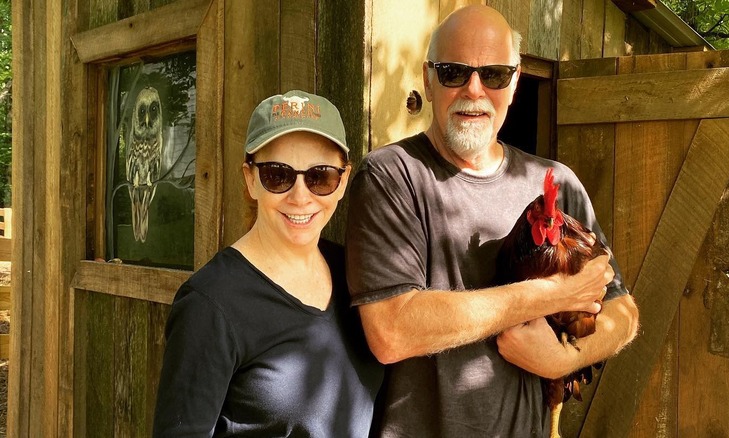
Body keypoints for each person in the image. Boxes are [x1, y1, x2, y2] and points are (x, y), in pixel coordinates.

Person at [345, 5, 639, 437]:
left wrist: (565, 359)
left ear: (515, 82)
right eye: (453, 72)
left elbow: (624, 310)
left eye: (495, 75)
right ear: (428, 79)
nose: (474, 90)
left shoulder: (555, 183)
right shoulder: (392, 176)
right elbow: (391, 330)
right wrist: (551, 294)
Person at [153, 90, 383, 437]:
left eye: (320, 176)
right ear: (250, 179)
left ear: (343, 181)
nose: (300, 196)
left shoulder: (355, 273)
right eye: (278, 174)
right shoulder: (210, 303)